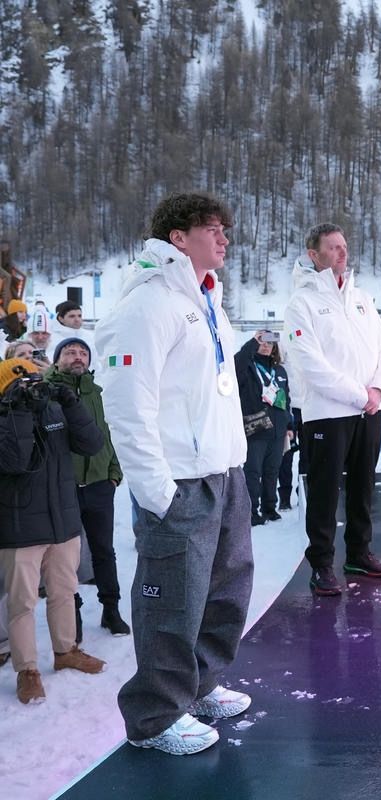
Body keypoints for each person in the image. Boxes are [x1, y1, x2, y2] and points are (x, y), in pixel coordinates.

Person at [95, 192, 254, 755]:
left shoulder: (206, 299)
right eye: (213, 228)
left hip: (222, 472)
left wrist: (234, 464)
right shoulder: (147, 304)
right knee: (172, 602)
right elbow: (127, 407)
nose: (225, 238)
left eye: (225, 228)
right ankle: (155, 716)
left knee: (224, 591)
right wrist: (156, 492)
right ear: (178, 238)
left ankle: (201, 684)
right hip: (179, 481)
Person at [283, 223, 381, 596]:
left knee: (363, 488)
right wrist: (359, 395)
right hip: (327, 415)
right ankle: (321, 564)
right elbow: (310, 364)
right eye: (333, 247)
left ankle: (359, 553)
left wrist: (377, 390)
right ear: (313, 255)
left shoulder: (361, 298)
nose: (342, 252)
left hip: (368, 412)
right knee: (324, 493)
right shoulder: (302, 303)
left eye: (344, 246)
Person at [0, 357, 107, 704]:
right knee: (22, 602)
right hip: (20, 528)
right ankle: (27, 670)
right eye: (21, 384)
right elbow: (15, 461)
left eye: (34, 381)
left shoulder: (54, 411)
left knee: (64, 591)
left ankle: (66, 651)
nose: (31, 388)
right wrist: (16, 410)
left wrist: (71, 403)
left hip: (63, 522)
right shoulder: (4, 416)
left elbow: (92, 444)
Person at [45, 337, 129, 636]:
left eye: (83, 353)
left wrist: (113, 472)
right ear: (57, 360)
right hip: (63, 487)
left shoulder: (97, 393)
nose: (77, 357)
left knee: (103, 550)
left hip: (98, 484)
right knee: (65, 557)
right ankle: (73, 614)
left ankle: (111, 609)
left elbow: (109, 434)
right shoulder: (46, 392)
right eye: (70, 352)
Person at [234, 331, 291, 526]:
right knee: (253, 472)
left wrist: (289, 425)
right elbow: (236, 364)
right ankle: (251, 511)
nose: (266, 346)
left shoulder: (280, 371)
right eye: (262, 342)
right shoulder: (247, 367)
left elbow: (286, 399)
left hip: (277, 430)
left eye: (270, 343)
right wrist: (252, 343)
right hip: (256, 429)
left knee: (272, 471)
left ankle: (269, 508)